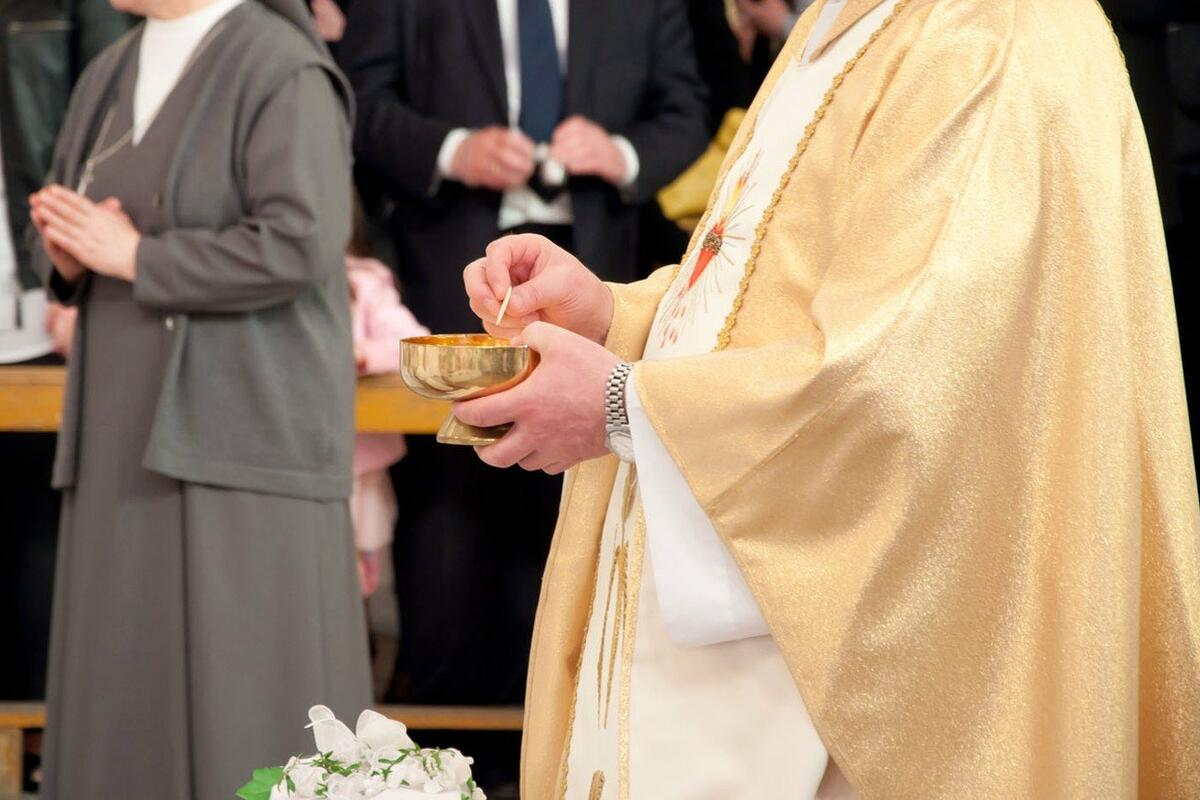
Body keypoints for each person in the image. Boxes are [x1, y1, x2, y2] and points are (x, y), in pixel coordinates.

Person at [457, 0, 1200, 797]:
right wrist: (617, 317)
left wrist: (618, 403)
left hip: (871, 686)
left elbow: (908, 380)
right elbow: (771, 288)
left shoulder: (994, 36)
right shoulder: (846, 21)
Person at [27, 0, 371, 797]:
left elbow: (301, 240)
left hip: (242, 430)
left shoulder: (280, 66)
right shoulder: (108, 70)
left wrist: (138, 257)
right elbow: (85, 225)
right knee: (123, 674)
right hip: (120, 425)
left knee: (249, 690)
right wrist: (69, 253)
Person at [338, 0, 709, 709]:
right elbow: (359, 99)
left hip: (602, 284)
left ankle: (564, 730)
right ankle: (446, 742)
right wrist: (452, 149)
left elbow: (687, 108)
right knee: (448, 544)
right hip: (453, 284)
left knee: (575, 530)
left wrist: (624, 154)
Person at [0, 0, 131, 704]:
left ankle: (45, 733)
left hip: (36, 302)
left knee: (43, 536)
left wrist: (72, 274)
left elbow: (116, 120)